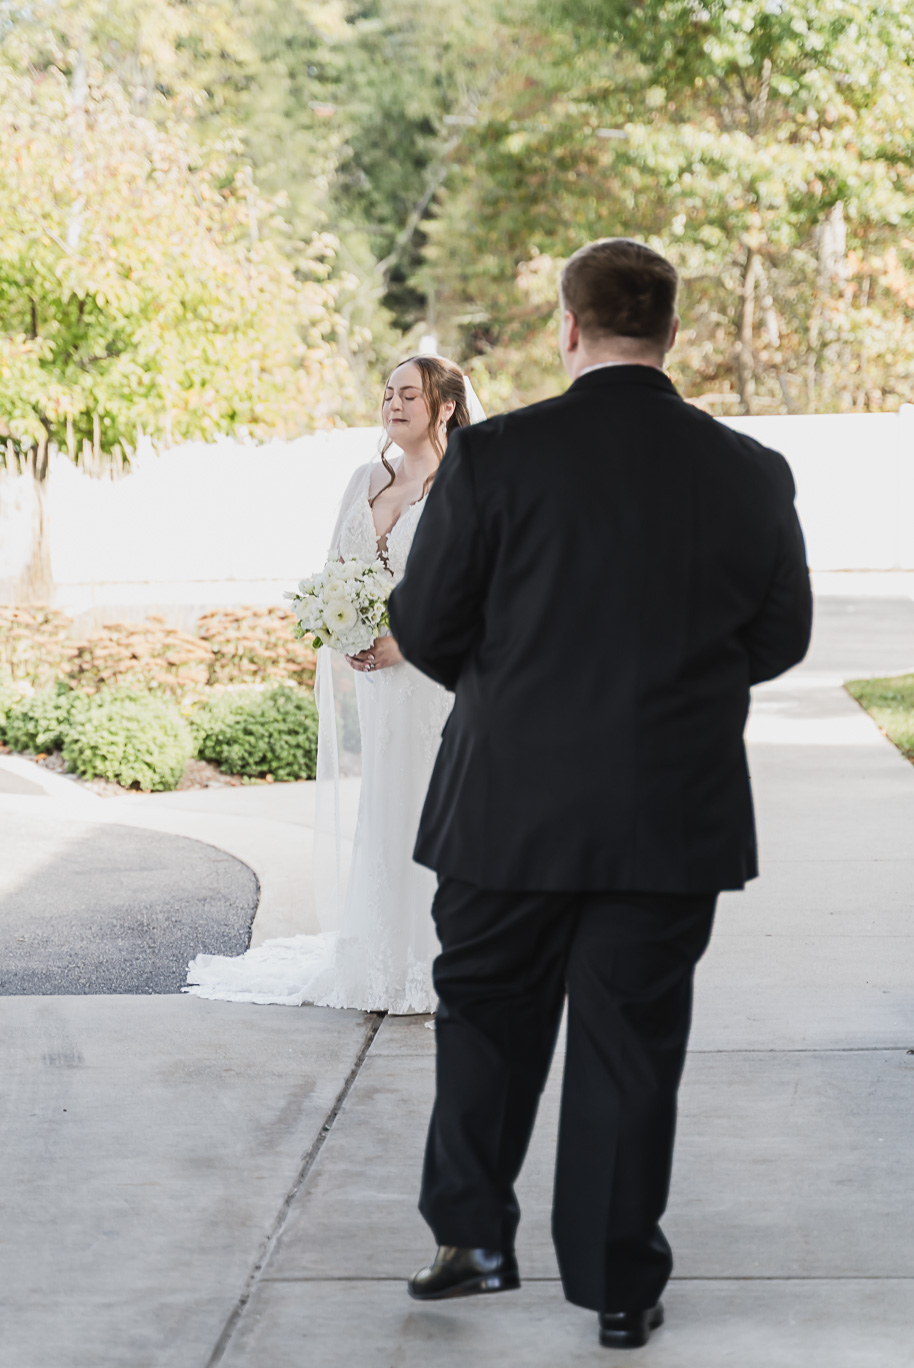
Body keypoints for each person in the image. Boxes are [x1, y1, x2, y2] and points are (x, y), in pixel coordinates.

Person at [388, 239, 813, 1348]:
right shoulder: (750, 470)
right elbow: (780, 637)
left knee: (484, 1019)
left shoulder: (494, 457)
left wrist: (515, 692)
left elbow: (425, 624)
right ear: (670, 331)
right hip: (669, 809)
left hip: (504, 804)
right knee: (630, 1045)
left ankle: (471, 1242)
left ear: (568, 328)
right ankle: (619, 1289)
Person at [186, 355, 484, 1013]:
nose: (393, 404)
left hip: (438, 681)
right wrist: (345, 629)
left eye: (409, 395)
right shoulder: (364, 479)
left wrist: (406, 640)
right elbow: (334, 571)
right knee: (388, 806)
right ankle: (384, 953)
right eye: (388, 393)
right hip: (380, 685)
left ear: (444, 408)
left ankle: (445, 958)